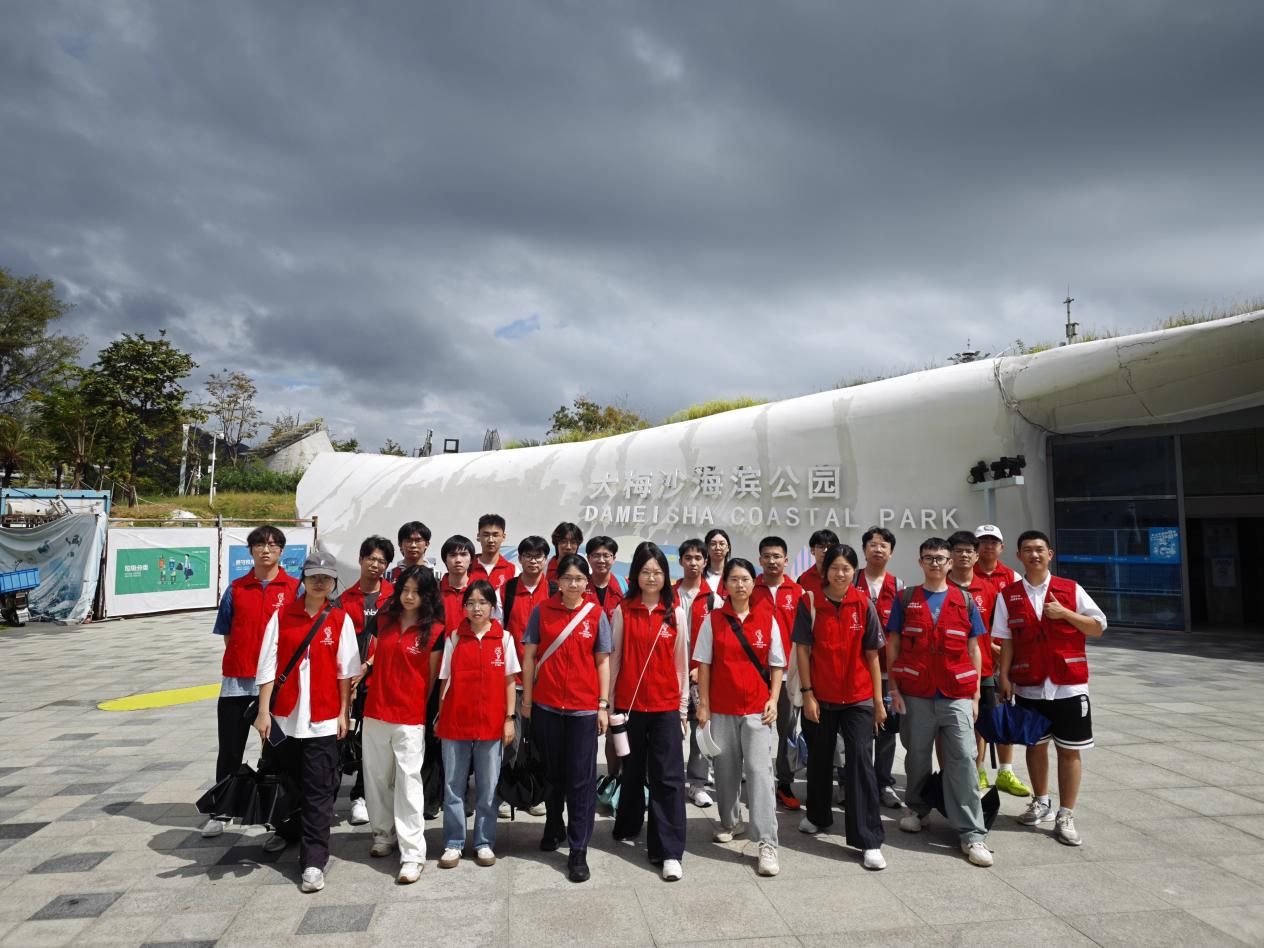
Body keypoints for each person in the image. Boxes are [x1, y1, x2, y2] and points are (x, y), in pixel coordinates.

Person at [253, 549, 357, 893]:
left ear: (333, 583)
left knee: (318, 791)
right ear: (304, 579)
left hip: (324, 721)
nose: (320, 583)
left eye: (326, 578)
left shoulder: (339, 619)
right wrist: (264, 712)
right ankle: (286, 831)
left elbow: (346, 672)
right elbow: (267, 666)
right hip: (285, 720)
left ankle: (313, 860)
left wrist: (344, 713)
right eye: (314, 577)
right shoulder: (283, 616)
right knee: (287, 784)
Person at [995, 530, 1107, 847]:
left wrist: (1065, 613)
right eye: (1027, 550)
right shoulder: (1009, 595)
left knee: (1069, 751)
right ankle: (1041, 801)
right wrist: (1004, 677)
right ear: (1018, 556)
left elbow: (1098, 627)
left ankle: (1065, 814)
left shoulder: (1070, 589)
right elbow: (1006, 640)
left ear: (1050, 554)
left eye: (1039, 549)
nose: (1034, 555)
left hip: (1068, 686)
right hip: (1029, 686)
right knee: (1035, 746)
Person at [888, 537, 993, 868]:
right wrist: (894, 688)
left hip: (956, 693)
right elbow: (893, 645)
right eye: (929, 558)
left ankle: (971, 832)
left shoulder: (965, 600)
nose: (935, 563)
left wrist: (975, 694)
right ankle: (917, 809)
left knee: (963, 759)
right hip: (916, 693)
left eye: (941, 558)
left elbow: (974, 649)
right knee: (917, 757)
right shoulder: (906, 599)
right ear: (920, 562)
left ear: (950, 563)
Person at [793, 543, 887, 870]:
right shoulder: (810, 602)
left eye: (846, 568)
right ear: (826, 570)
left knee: (860, 762)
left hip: (858, 698)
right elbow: (802, 650)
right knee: (819, 758)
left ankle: (869, 840)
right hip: (821, 695)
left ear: (853, 571)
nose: (840, 573)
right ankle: (818, 816)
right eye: (835, 567)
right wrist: (807, 694)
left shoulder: (863, 604)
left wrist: (878, 701)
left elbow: (873, 655)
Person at [202, 525, 299, 838]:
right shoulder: (236, 589)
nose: (265, 550)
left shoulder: (294, 589)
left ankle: (276, 811)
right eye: (259, 544)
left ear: (281, 551)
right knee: (230, 749)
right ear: (250, 550)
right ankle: (222, 810)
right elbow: (229, 633)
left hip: (277, 685)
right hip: (237, 682)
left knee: (276, 751)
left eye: (272, 545)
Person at [521, 553, 612, 883]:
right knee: (551, 772)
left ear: (587, 582)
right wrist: (527, 701)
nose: (573, 584)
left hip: (583, 710)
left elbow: (602, 661)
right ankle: (553, 824)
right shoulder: (542, 611)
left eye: (579, 579)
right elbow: (530, 656)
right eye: (567, 578)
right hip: (546, 706)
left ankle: (578, 849)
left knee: (580, 780)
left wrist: (602, 705)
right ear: (557, 581)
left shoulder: (596, 614)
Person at [693, 557, 785, 878]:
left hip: (758, 710)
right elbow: (704, 664)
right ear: (726, 584)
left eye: (745, 579)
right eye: (734, 579)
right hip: (722, 708)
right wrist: (703, 705)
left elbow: (777, 663)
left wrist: (773, 699)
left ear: (753, 583)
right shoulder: (714, 620)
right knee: (726, 770)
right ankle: (730, 821)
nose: (740, 584)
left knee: (759, 773)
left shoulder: (767, 619)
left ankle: (767, 842)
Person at [609, 542, 690, 881]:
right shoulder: (623, 611)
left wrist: (682, 708)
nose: (652, 578)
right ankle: (628, 823)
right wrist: (608, 705)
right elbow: (615, 660)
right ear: (635, 575)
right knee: (631, 771)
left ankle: (669, 851)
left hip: (665, 706)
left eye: (657, 572)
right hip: (629, 706)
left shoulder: (675, 613)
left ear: (666, 576)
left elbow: (681, 664)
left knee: (668, 778)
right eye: (645, 572)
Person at [359, 565, 444, 884]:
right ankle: (383, 835)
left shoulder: (435, 631)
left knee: (409, 783)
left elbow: (431, 679)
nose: (409, 597)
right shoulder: (383, 621)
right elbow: (369, 659)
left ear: (427, 596)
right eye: (405, 590)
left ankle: (413, 854)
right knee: (377, 778)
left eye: (416, 592)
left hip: (409, 716)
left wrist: (417, 709)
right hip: (375, 711)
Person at [436, 581, 519, 869]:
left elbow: (510, 681)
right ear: (464, 607)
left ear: (493, 606)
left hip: (492, 723)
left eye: (483, 602)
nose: (476, 608)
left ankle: (484, 842)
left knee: (488, 787)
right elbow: (444, 680)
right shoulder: (455, 637)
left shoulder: (504, 638)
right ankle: (453, 842)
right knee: (453, 786)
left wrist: (509, 719)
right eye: (470, 603)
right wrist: (440, 716)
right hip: (456, 722)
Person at [946, 530, 1031, 798]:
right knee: (969, 725)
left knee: (996, 718)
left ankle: (1005, 771)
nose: (987, 547)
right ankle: (976, 770)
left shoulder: (999, 583)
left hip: (988, 667)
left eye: (992, 542)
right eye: (983, 542)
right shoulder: (941, 583)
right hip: (951, 670)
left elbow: (1004, 627)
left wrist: (1003, 658)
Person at [339, 535, 396, 827]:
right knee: (343, 737)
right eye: (371, 558)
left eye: (382, 561)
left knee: (371, 742)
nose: (375, 565)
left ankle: (361, 796)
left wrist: (369, 664)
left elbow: (395, 637)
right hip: (348, 682)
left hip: (380, 681)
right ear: (360, 559)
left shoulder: (395, 598)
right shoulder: (344, 599)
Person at [500, 535, 554, 817]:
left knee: (539, 743)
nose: (534, 561)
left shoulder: (555, 590)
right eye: (528, 555)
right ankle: (506, 794)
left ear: (546, 559)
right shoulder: (507, 590)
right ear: (519, 559)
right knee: (510, 740)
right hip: (514, 680)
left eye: (539, 556)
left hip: (546, 683)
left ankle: (536, 794)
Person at [752, 536, 804, 811]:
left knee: (786, 731)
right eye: (767, 556)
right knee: (754, 731)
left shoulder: (799, 592)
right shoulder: (750, 588)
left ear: (786, 559)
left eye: (777, 556)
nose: (772, 561)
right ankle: (756, 782)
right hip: (755, 674)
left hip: (787, 676)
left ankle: (784, 783)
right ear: (760, 559)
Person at [854, 526, 904, 808]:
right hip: (857, 671)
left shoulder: (899, 586)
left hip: (888, 672)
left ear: (891, 552)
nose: (877, 549)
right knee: (857, 731)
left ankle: (884, 783)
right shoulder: (852, 581)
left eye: (883, 545)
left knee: (887, 731)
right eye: (872, 544)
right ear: (864, 550)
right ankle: (854, 783)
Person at [674, 538, 716, 807]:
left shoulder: (713, 598)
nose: (692, 563)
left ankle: (697, 784)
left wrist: (702, 669)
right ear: (680, 561)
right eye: (688, 558)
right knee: (672, 730)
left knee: (701, 728)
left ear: (705, 561)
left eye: (698, 558)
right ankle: (671, 781)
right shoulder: (669, 594)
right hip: (672, 675)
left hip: (701, 675)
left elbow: (718, 639)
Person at [469, 513, 518, 600]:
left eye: (495, 535)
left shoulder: (513, 571)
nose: (491, 540)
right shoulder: (468, 566)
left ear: (503, 537)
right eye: (486, 535)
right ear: (478, 536)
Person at [974, 524, 1020, 595]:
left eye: (994, 543)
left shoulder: (1013, 577)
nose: (989, 546)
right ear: (974, 546)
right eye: (983, 542)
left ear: (1001, 548)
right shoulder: (965, 574)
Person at [586, 536, 624, 617]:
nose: (601, 560)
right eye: (596, 555)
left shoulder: (625, 585)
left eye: (606, 556)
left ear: (614, 558)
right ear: (588, 558)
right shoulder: (581, 585)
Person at [796, 529, 840, 598]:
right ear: (812, 550)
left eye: (829, 547)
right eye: (821, 547)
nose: (825, 550)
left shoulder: (843, 576)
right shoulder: (803, 579)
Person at [702, 528, 731, 593]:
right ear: (706, 548)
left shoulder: (733, 575)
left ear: (728, 548)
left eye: (721, 544)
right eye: (713, 544)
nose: (717, 548)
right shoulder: (699, 576)